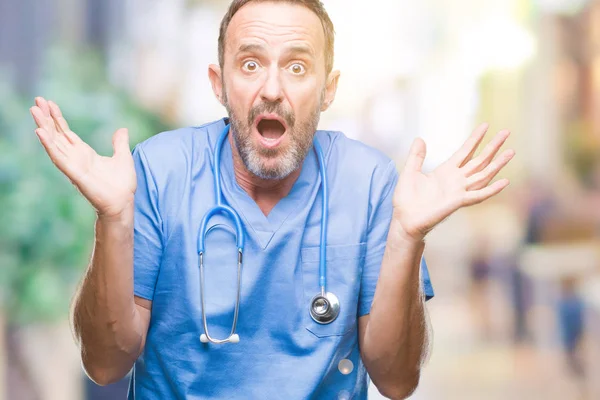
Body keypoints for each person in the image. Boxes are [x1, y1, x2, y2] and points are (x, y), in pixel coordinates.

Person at [29, 0, 515, 398]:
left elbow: (396, 379)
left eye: (298, 66)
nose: (272, 89)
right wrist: (111, 218)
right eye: (250, 63)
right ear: (219, 84)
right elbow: (105, 364)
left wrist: (408, 237)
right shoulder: (159, 171)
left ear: (328, 89)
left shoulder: (368, 183)